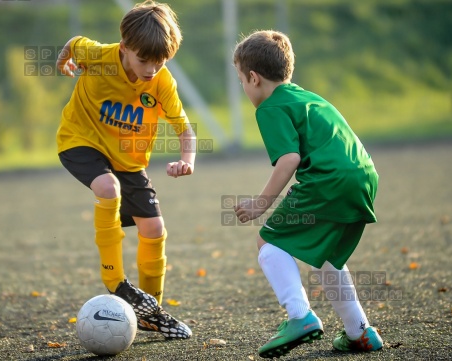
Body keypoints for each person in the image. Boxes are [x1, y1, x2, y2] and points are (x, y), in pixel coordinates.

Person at [232, 30, 383, 358]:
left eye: (241, 80)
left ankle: (299, 316)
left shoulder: (270, 107)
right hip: (364, 177)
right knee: (326, 256)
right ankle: (359, 332)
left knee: (268, 242)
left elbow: (289, 159)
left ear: (254, 78)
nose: (243, 88)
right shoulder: (307, 97)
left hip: (327, 181)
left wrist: (261, 203)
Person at [55, 0, 195, 339]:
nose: (150, 68)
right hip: (80, 139)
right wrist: (63, 63)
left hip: (129, 160)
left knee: (154, 228)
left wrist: (187, 161)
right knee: (107, 188)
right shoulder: (99, 56)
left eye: (159, 62)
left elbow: (184, 129)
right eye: (143, 60)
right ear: (124, 48)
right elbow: (74, 43)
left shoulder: (161, 82)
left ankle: (151, 311)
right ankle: (115, 282)